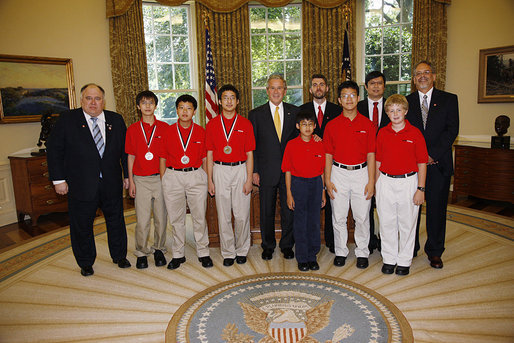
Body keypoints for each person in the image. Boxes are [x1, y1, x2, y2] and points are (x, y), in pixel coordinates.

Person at [47, 83, 131, 277]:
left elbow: (125, 152)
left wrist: (128, 176)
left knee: (116, 221)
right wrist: (58, 180)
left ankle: (119, 256)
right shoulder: (67, 120)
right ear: (81, 100)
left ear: (104, 100)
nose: (93, 102)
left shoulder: (116, 120)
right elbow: (55, 151)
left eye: (97, 98)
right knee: (82, 225)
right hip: (81, 184)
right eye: (89, 98)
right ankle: (85, 262)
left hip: (111, 183)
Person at [406, 60, 459, 269]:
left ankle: (435, 251)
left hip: (438, 164)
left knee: (437, 210)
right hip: (412, 166)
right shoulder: (407, 102)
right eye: (418, 73)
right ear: (414, 78)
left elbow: (452, 130)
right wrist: (419, 157)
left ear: (434, 76)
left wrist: (430, 155)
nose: (422, 76)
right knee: (412, 209)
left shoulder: (449, 100)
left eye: (426, 72)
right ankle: (411, 248)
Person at [324, 80, 376, 269]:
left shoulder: (368, 124)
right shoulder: (331, 125)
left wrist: (371, 181)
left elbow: (371, 155)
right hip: (338, 173)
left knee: (362, 216)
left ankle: (362, 251)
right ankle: (340, 251)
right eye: (344, 96)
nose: (349, 99)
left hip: (361, 172)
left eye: (352, 95)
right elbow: (328, 155)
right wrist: (327, 180)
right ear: (339, 100)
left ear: (358, 97)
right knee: (338, 216)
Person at [375, 94, 428, 276]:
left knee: (407, 223)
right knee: (387, 222)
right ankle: (389, 258)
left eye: (399, 110)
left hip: (409, 182)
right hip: (386, 181)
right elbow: (378, 161)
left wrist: (420, 189)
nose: (395, 114)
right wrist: (376, 184)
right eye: (391, 111)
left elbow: (422, 162)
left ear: (405, 111)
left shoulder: (415, 133)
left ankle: (404, 260)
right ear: (387, 113)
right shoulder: (382, 133)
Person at [249, 74, 299, 261]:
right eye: (272, 88)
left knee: (289, 209)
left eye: (280, 88)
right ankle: (268, 245)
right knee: (266, 210)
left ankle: (287, 245)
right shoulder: (256, 114)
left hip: (289, 171)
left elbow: (300, 140)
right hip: (266, 171)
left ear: (285, 91)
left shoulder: (295, 112)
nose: (276, 91)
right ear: (267, 90)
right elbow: (253, 146)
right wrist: (254, 170)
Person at [159, 95, 213, 270]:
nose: (184, 111)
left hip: (195, 175)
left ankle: (203, 252)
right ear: (176, 110)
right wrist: (164, 179)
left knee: (199, 217)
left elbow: (205, 158)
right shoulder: (167, 131)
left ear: (194, 111)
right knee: (176, 219)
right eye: (181, 108)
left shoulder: (200, 131)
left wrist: (205, 178)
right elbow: (162, 158)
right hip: (173, 176)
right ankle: (178, 254)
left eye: (188, 108)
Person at [206, 85, 255, 266]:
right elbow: (209, 154)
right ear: (219, 101)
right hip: (219, 170)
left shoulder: (245, 124)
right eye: (225, 97)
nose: (228, 101)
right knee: (224, 214)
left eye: (232, 97)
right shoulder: (212, 124)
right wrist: (209, 179)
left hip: (240, 169)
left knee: (242, 215)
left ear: (238, 101)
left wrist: (249, 179)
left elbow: (250, 154)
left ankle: (242, 249)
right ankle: (228, 252)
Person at [125, 90, 168, 269]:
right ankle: (141, 252)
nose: (148, 106)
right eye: (144, 103)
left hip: (160, 179)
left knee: (161, 218)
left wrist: (166, 180)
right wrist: (131, 181)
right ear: (138, 106)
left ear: (156, 106)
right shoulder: (133, 129)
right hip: (140, 179)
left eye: (151, 103)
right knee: (142, 220)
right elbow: (130, 157)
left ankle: (159, 248)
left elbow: (167, 156)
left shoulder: (165, 128)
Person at [299, 74, 341, 254]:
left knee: (332, 203)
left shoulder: (338, 110)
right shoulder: (302, 110)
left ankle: (332, 241)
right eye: (314, 85)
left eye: (322, 84)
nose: (318, 88)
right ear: (310, 89)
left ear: (327, 88)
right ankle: (306, 242)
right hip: (311, 165)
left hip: (333, 163)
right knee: (308, 208)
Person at [282, 109, 326, 271]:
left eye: (310, 124)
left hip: (315, 184)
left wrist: (322, 192)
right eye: (303, 124)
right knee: (300, 222)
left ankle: (312, 256)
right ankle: (302, 257)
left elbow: (322, 171)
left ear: (314, 126)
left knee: (314, 222)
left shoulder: (319, 143)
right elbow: (287, 170)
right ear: (297, 126)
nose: (307, 128)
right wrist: (289, 193)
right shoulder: (291, 145)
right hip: (298, 184)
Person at [357, 71, 390, 254]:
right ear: (366, 87)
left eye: (379, 83)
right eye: (372, 83)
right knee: (365, 205)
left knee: (385, 205)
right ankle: (368, 241)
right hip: (363, 163)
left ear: (384, 86)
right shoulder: (357, 107)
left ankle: (387, 243)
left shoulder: (392, 107)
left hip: (387, 163)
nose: (376, 86)